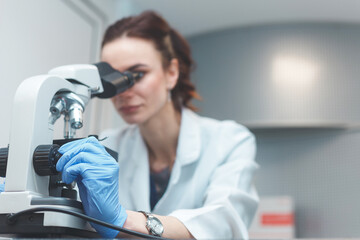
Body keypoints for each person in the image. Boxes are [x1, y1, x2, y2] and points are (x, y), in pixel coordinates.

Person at [2, 11, 259, 239]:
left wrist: (124, 222)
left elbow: (224, 222)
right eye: (115, 79)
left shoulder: (229, 140)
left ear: (171, 73)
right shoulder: (106, 146)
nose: (123, 92)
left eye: (137, 75)